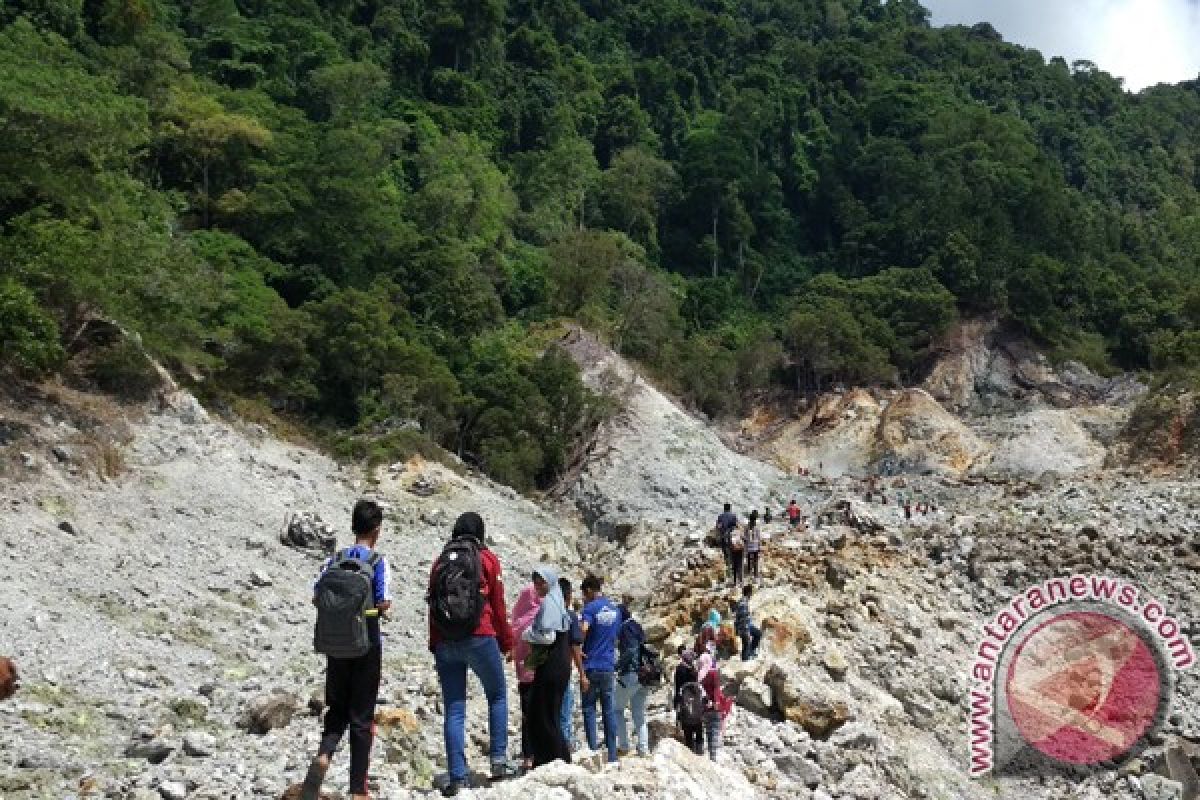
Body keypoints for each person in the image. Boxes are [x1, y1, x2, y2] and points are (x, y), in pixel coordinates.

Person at [300, 500, 392, 800]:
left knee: (337, 708)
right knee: (362, 717)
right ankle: (358, 790)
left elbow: (317, 597)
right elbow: (382, 603)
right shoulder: (378, 562)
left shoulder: (335, 559)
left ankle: (325, 754)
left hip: (335, 646)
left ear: (354, 526)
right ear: (376, 529)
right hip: (366, 646)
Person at [429, 513, 520, 797]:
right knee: (497, 695)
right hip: (481, 637)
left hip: (446, 641)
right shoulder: (487, 560)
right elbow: (498, 604)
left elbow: (432, 605)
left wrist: (435, 643)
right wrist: (507, 642)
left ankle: (458, 775)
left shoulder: (439, 562)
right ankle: (498, 761)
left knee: (454, 708)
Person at [522, 567, 573, 767]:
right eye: (535, 582)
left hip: (551, 666)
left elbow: (548, 636)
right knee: (546, 713)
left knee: (543, 715)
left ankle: (555, 759)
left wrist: (527, 634)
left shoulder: (550, 604)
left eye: (541, 581)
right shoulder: (557, 602)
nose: (537, 586)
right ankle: (553, 758)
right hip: (558, 664)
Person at [579, 574, 621, 762]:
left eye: (583, 594)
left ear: (588, 590)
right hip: (608, 665)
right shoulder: (615, 610)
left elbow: (583, 629)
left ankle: (593, 752)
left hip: (591, 665)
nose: (583, 598)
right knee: (608, 710)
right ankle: (612, 754)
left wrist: (577, 646)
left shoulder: (590, 608)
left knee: (589, 709)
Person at [510, 580, 543, 771]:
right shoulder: (538, 618)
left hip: (523, 675)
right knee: (542, 715)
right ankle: (540, 753)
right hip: (539, 673)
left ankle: (527, 756)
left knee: (527, 716)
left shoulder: (518, 621)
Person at [614, 605, 650, 757]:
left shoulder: (625, 629)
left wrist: (617, 665)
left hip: (630, 674)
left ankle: (623, 746)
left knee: (616, 709)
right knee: (639, 714)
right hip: (644, 676)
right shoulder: (637, 627)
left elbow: (630, 651)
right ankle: (643, 748)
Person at [558, 578, 588, 752]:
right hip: (563, 670)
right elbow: (574, 645)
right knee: (565, 711)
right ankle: (565, 746)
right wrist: (582, 674)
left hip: (544, 671)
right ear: (568, 596)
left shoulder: (544, 614)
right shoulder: (569, 616)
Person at [697, 653, 731, 761]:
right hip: (714, 706)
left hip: (704, 706)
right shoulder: (713, 673)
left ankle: (710, 754)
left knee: (708, 731)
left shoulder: (700, 674)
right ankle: (713, 756)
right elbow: (716, 689)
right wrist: (716, 702)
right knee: (715, 730)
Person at [673, 649, 703, 755]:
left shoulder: (680, 669)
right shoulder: (694, 670)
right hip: (697, 704)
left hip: (685, 702)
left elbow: (677, 687)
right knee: (699, 731)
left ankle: (690, 753)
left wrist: (675, 703)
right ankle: (700, 752)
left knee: (687, 731)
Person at [734, 585, 763, 661]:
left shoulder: (743, 601)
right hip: (744, 627)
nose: (752, 595)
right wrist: (746, 631)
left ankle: (751, 652)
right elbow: (742, 618)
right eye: (751, 593)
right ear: (749, 593)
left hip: (747, 625)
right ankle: (745, 661)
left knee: (758, 634)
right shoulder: (743, 603)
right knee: (746, 644)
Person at [715, 503, 737, 580]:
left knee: (725, 555)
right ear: (730, 508)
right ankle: (733, 571)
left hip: (723, 538)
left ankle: (728, 572)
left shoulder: (720, 516)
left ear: (724, 508)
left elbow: (718, 527)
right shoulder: (733, 516)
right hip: (731, 538)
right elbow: (735, 526)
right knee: (732, 554)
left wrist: (720, 534)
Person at [744, 510, 762, 582]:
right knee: (755, 561)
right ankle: (755, 575)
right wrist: (759, 546)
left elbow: (745, 537)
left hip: (749, 547)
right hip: (755, 547)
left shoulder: (747, 528)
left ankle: (749, 573)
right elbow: (759, 537)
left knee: (749, 560)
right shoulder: (756, 528)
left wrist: (745, 544)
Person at [728, 521, 745, 587]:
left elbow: (729, 543)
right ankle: (741, 581)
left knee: (734, 566)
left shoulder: (730, 533)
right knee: (740, 565)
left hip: (733, 551)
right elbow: (744, 539)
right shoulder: (739, 532)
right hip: (740, 550)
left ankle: (735, 582)